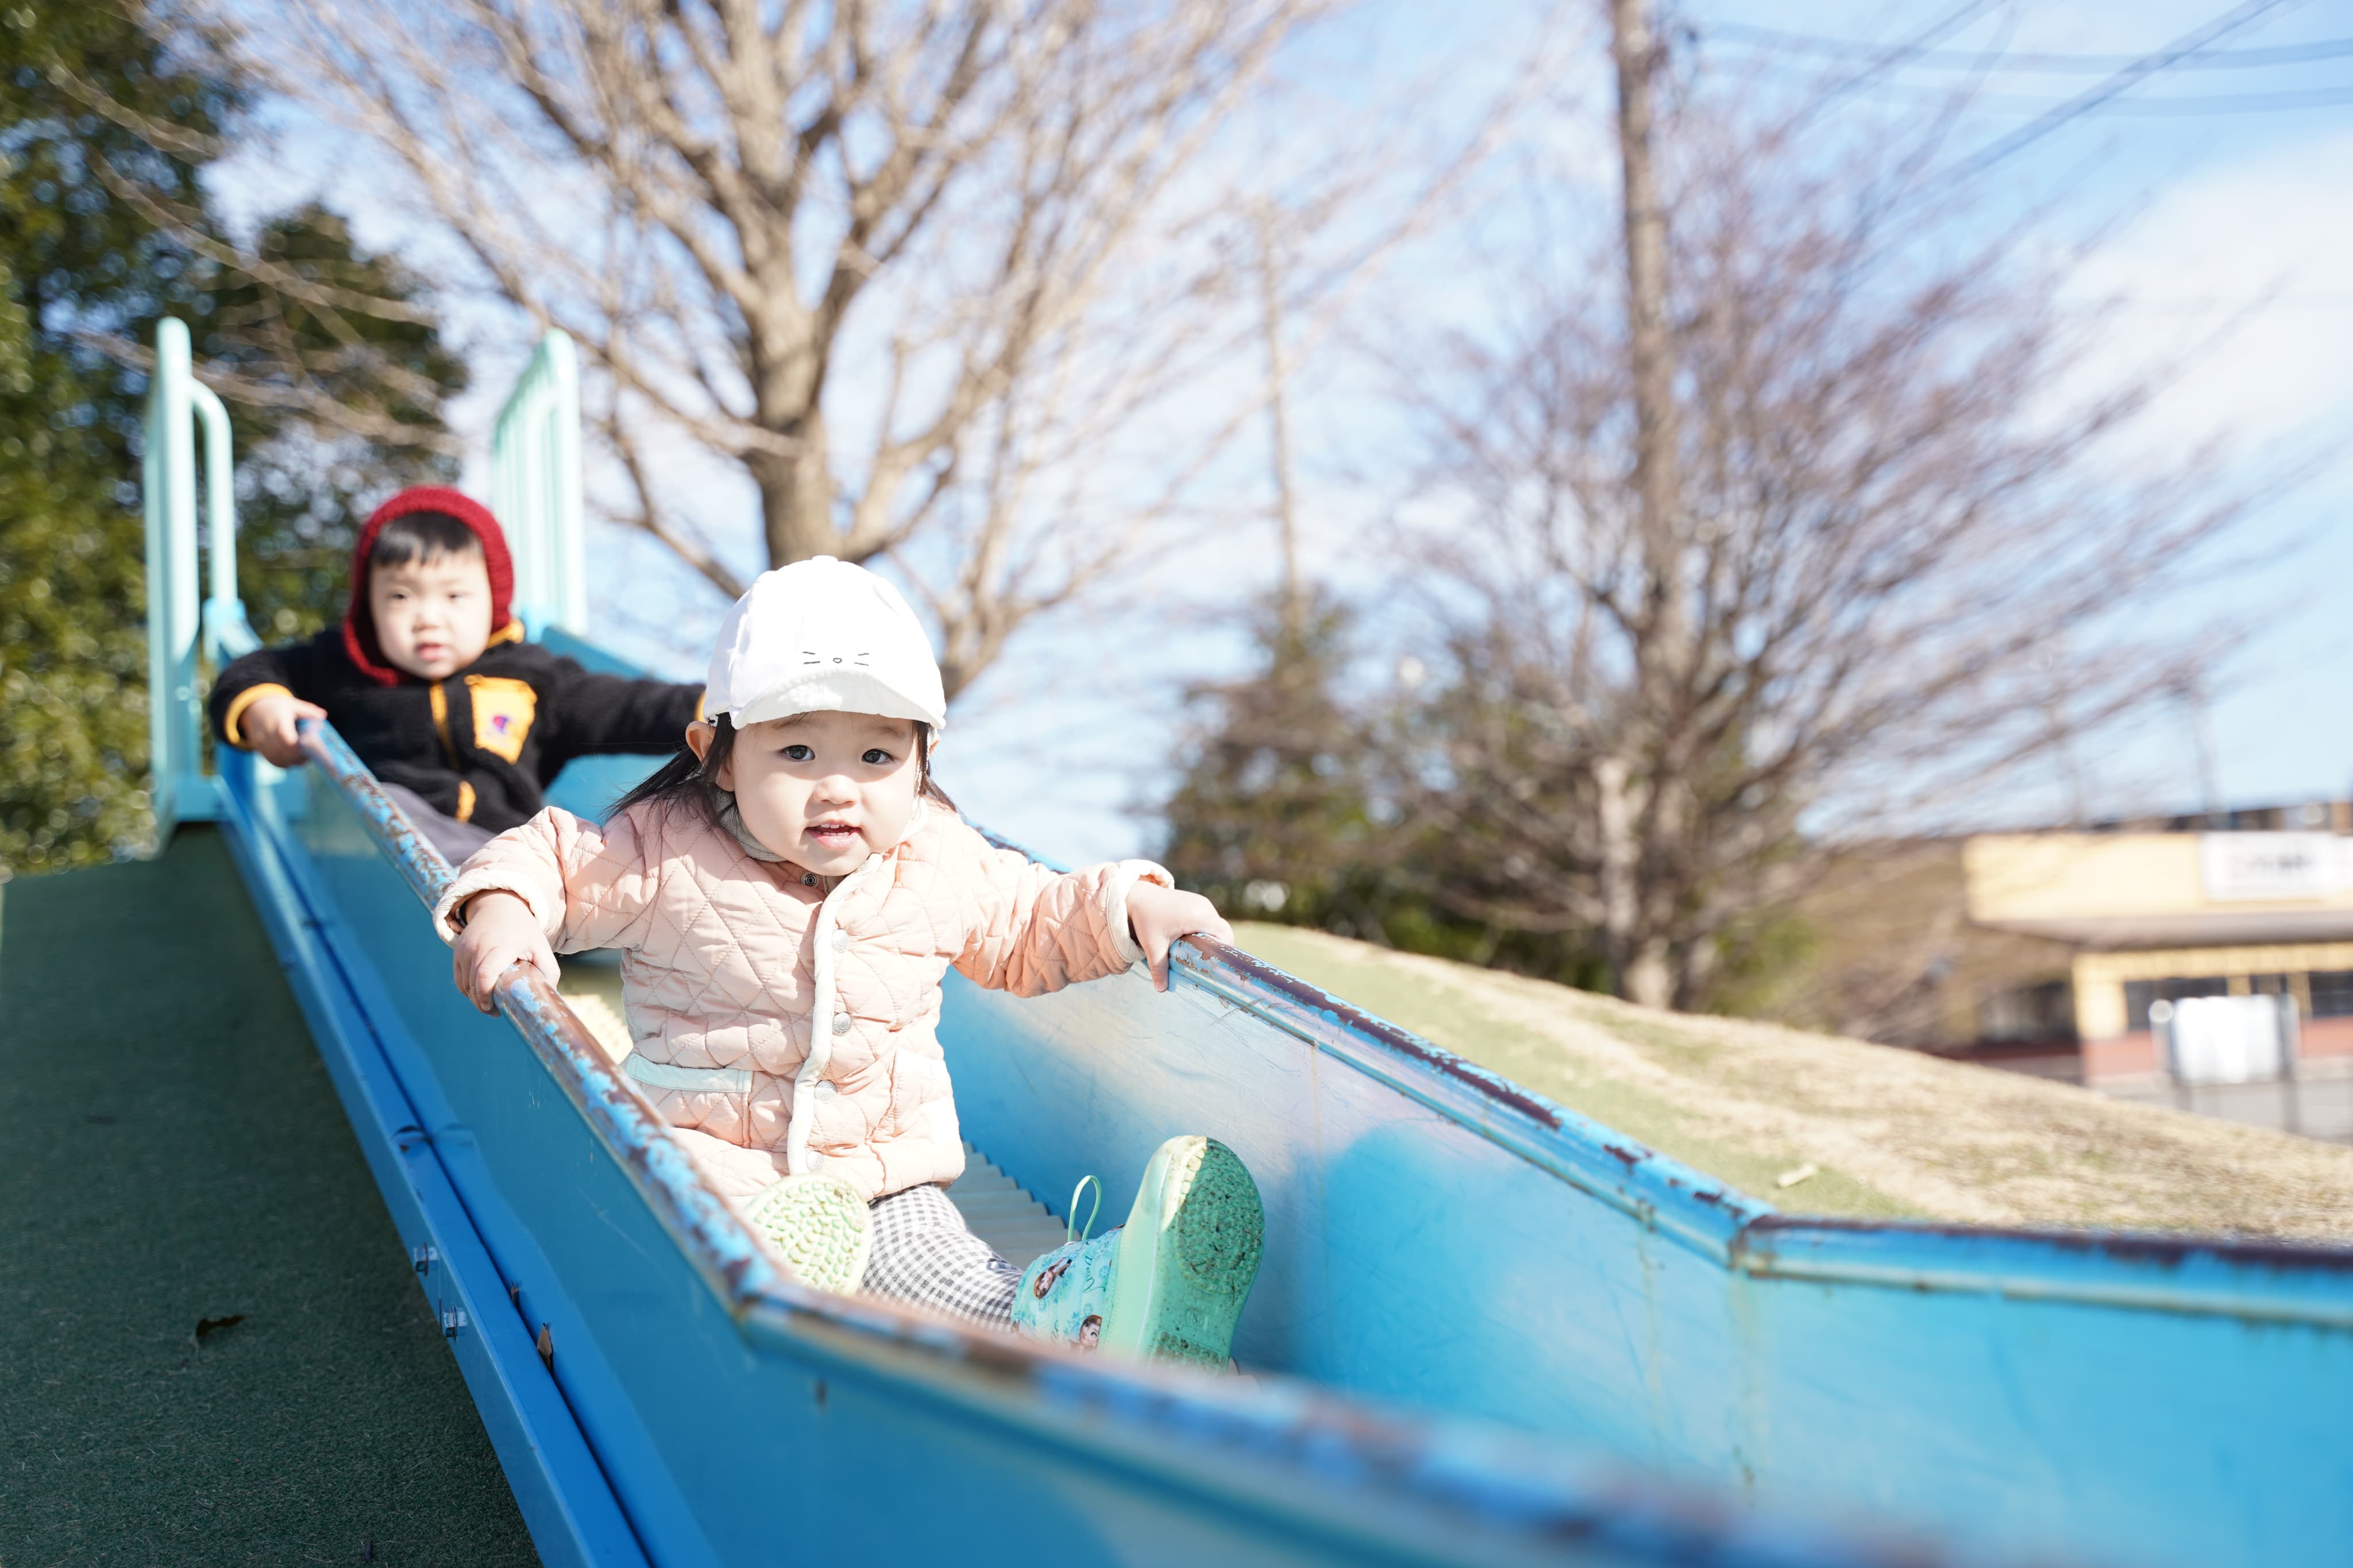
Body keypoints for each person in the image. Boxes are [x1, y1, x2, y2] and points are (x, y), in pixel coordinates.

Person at [432, 557, 1265, 1369]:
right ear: (717, 753)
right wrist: (506, 904)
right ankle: (785, 1309)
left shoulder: (936, 855)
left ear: (922, 761)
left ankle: (1073, 1316)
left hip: (877, 1173)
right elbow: (556, 857)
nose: (839, 787)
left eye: (876, 757)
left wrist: (1131, 906)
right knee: (691, 1254)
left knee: (941, 1272)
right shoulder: (666, 845)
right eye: (797, 752)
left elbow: (1030, 920)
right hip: (712, 1169)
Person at [208, 487, 704, 864]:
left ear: (494, 600)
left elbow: (625, 706)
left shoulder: (531, 677)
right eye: (400, 596)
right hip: (396, 852)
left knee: (586, 844)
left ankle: (557, 911)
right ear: (369, 607)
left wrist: (720, 705)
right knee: (390, 802)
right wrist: (262, 704)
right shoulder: (344, 668)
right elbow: (256, 667)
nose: (429, 618)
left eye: (454, 596)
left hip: (512, 849)